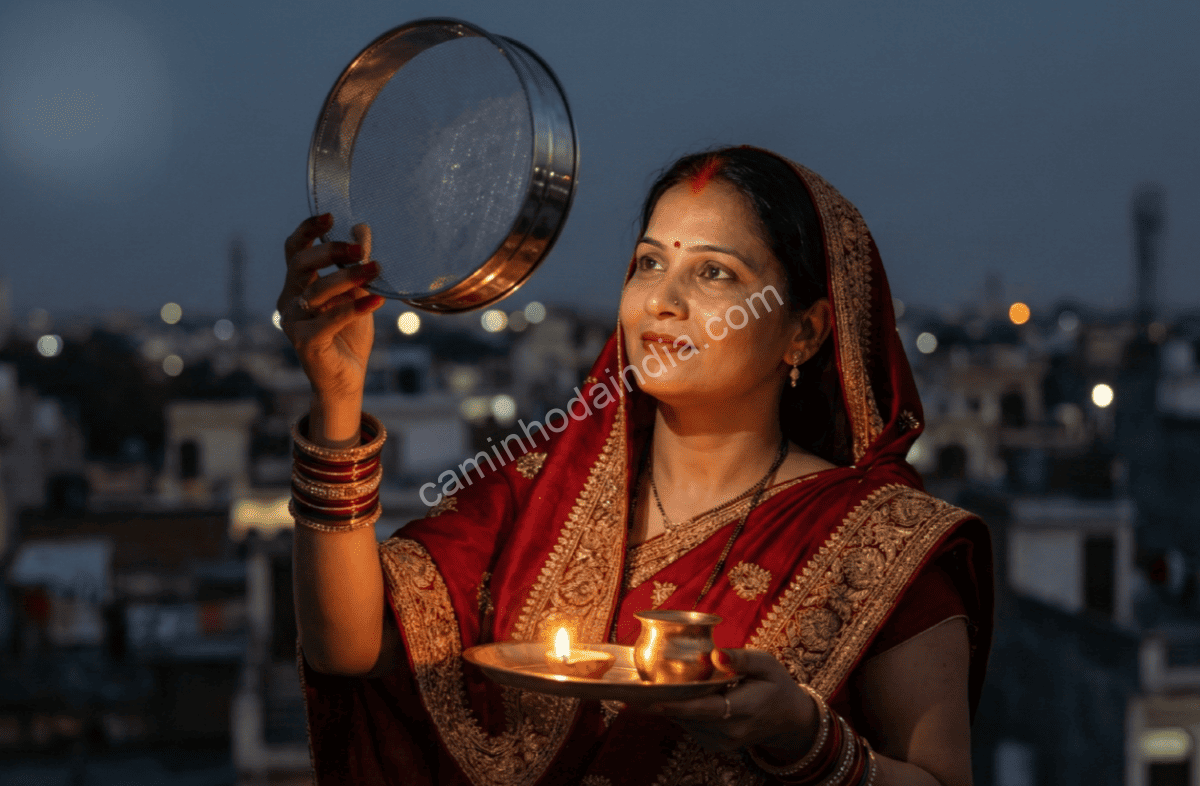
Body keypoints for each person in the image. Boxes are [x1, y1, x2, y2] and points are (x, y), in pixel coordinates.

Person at [278, 146, 993, 785]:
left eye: (714, 272)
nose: (663, 302)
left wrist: (805, 742)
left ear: (803, 333)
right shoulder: (535, 492)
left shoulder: (880, 541)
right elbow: (347, 647)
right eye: (650, 263)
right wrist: (336, 402)